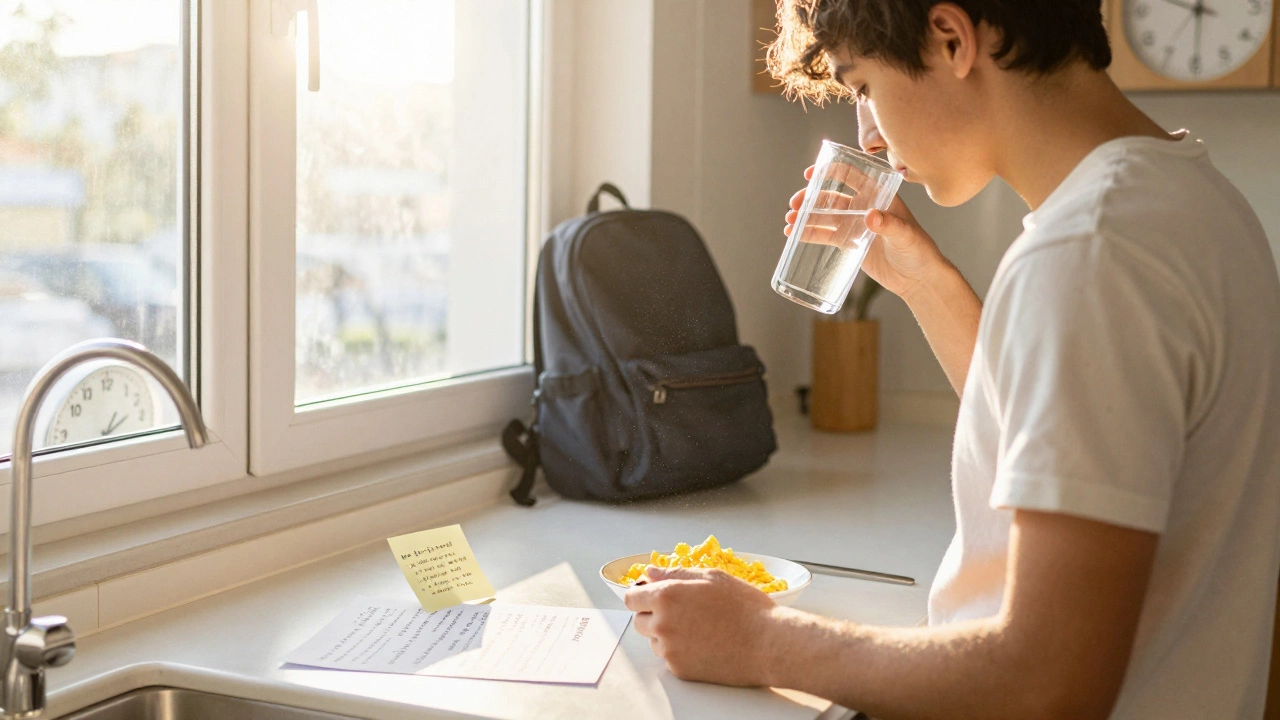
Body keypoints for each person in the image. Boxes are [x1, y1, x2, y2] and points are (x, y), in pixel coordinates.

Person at [624, 1, 1280, 718]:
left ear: (950, 38)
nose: (866, 134)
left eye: (864, 87)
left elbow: (1047, 679)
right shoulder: (1193, 200)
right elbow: (1060, 434)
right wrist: (920, 280)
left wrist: (761, 640)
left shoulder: (1090, 253)